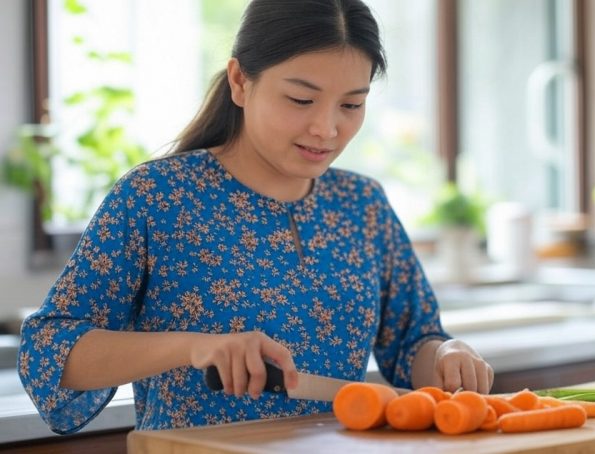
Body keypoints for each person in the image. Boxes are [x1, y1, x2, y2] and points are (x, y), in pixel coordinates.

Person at [18, 0, 493, 434]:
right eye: (301, 100)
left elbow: (414, 343)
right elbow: (51, 350)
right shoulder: (157, 197)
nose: (327, 128)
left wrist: (448, 355)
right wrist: (193, 346)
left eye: (352, 104)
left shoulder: (363, 204)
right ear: (240, 81)